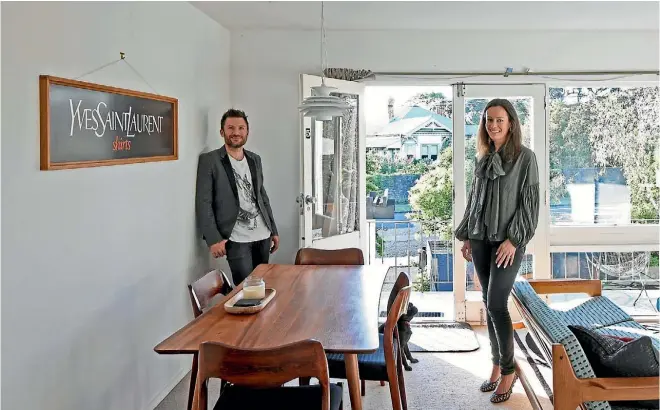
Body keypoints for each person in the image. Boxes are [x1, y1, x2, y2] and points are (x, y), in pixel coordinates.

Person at [455, 98, 539, 403]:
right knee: (487, 304)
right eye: (489, 120)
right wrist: (468, 235)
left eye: (499, 120)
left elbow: (529, 206)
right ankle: (495, 362)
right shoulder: (484, 158)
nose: (493, 125)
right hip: (480, 239)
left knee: (497, 304)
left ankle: (508, 370)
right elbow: (476, 201)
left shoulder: (525, 158)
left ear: (511, 124)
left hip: (508, 242)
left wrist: (514, 240)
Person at [195, 109, 279, 286]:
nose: (236, 132)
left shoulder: (255, 159)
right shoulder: (210, 160)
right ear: (222, 132)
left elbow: (262, 196)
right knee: (245, 290)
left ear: (247, 131)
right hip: (236, 238)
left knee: (263, 287)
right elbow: (204, 202)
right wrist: (213, 239)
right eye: (231, 128)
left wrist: (273, 229)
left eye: (241, 128)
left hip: (263, 235)